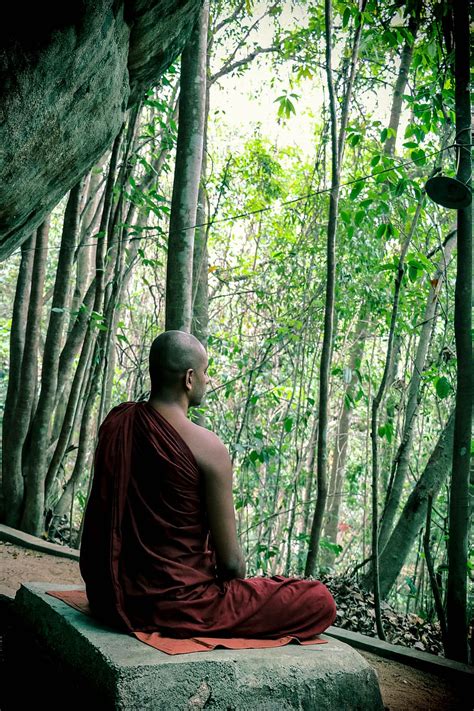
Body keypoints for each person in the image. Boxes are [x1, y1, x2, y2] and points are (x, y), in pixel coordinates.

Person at [79, 330, 337, 639]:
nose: (208, 379)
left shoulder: (116, 423)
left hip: (110, 596)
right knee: (318, 599)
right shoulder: (208, 447)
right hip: (179, 606)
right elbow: (231, 564)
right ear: (189, 378)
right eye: (205, 372)